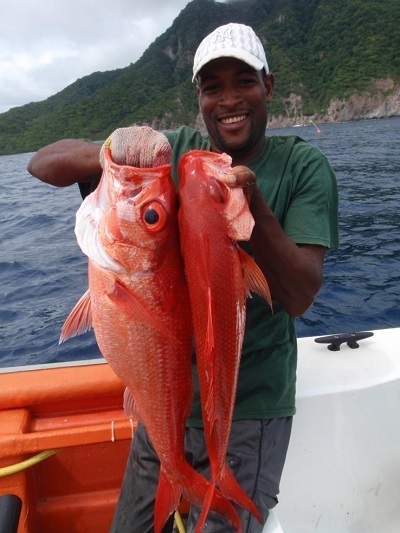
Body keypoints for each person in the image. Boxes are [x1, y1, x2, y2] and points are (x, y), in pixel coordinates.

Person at [28, 23, 339, 533]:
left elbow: (300, 293)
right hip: (167, 399)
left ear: (270, 86)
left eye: (244, 81)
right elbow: (43, 164)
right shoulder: (172, 156)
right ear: (198, 97)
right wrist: (112, 154)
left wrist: (247, 206)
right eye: (212, 87)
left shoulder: (303, 167)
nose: (229, 99)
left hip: (250, 406)